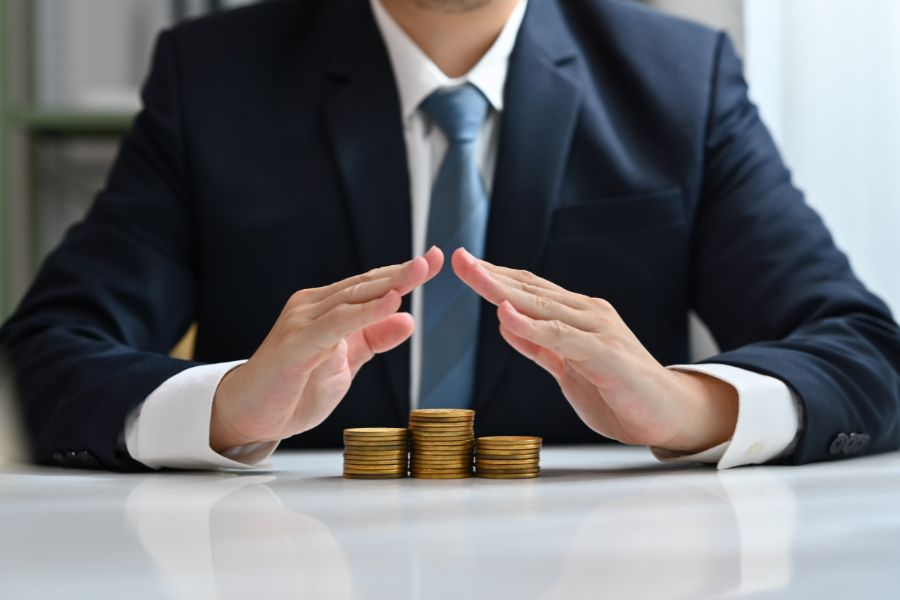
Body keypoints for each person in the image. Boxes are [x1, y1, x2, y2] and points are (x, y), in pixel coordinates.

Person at [1, 0, 898, 472]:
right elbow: (46, 352)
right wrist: (226, 408)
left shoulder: (681, 80)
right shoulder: (212, 77)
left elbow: (867, 354)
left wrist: (687, 408)